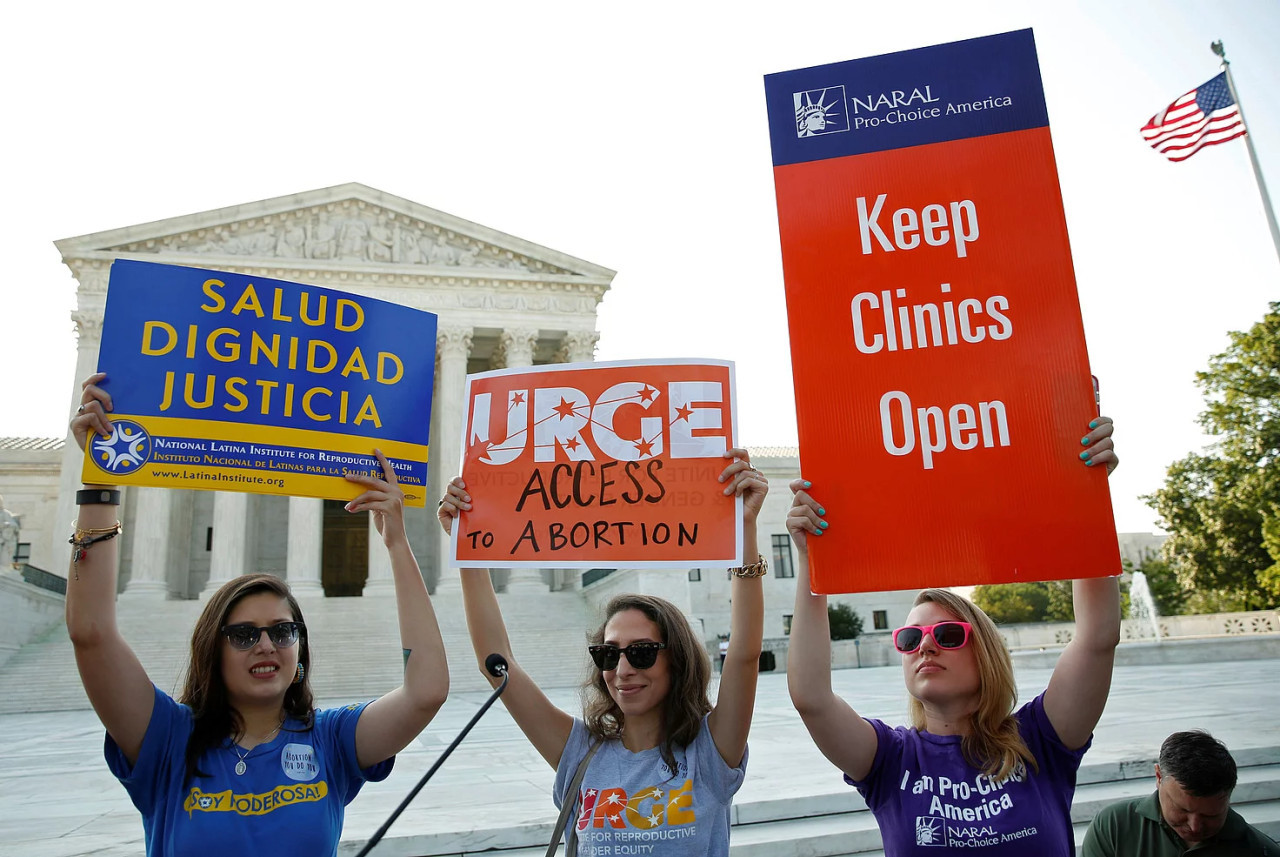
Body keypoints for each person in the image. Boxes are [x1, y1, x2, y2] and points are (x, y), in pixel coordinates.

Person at [66, 372, 449, 857]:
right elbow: (91, 633)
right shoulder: (167, 741)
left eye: (283, 631)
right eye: (244, 634)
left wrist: (396, 541)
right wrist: (100, 479)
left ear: (300, 651)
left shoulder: (330, 741)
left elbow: (427, 692)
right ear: (213, 649)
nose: (267, 645)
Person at [786, 417, 1121, 856]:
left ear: (986, 652)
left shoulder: (1041, 739)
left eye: (946, 634)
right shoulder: (890, 759)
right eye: (909, 638)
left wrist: (1088, 494)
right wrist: (814, 563)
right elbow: (811, 696)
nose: (924, 645)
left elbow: (1097, 636)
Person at [436, 449, 767, 856]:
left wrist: (745, 526)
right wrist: (467, 548)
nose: (623, 669)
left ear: (677, 660)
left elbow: (744, 655)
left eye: (642, 652)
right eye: (608, 655)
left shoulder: (709, 754)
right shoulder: (578, 751)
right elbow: (497, 664)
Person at [1082, 730, 1280, 856]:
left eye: (1210, 815)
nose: (1194, 826)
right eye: (1182, 809)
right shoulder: (1114, 826)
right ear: (1159, 777)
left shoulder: (1260, 851)